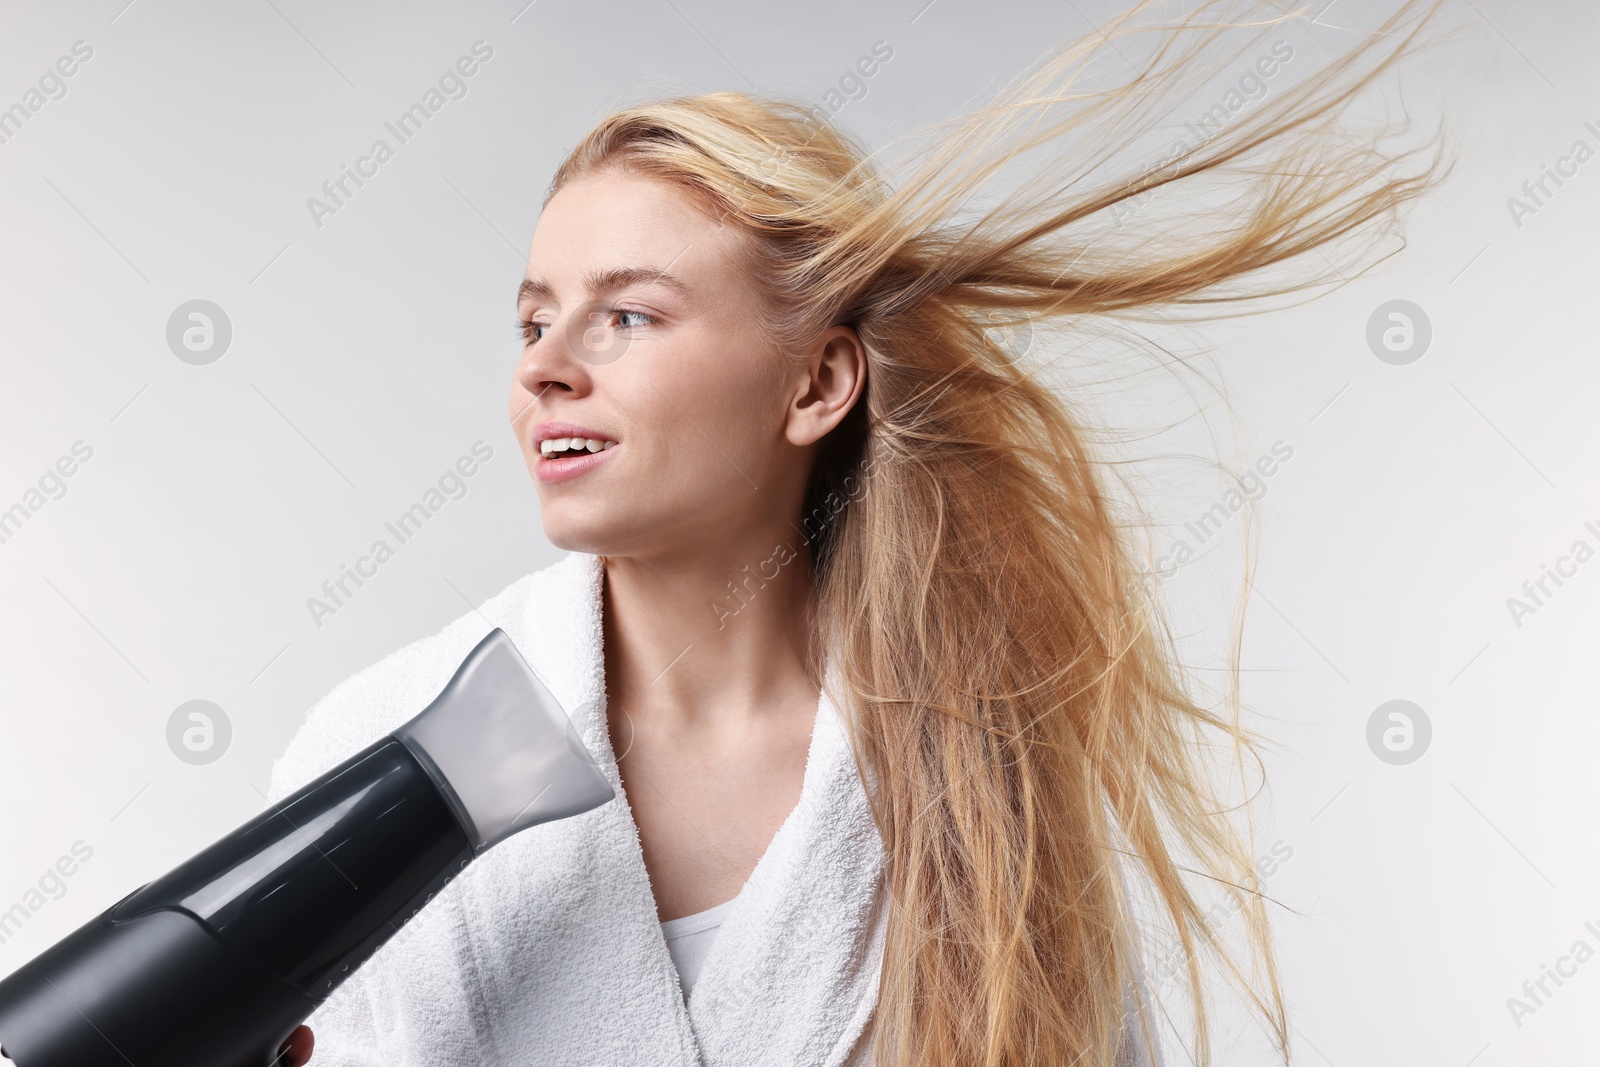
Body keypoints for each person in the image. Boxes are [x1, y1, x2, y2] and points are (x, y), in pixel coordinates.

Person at [273, 1, 1448, 1063]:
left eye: (625, 314)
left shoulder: (982, 791)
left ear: (816, 384)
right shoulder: (384, 748)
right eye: (533, 319)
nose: (545, 367)